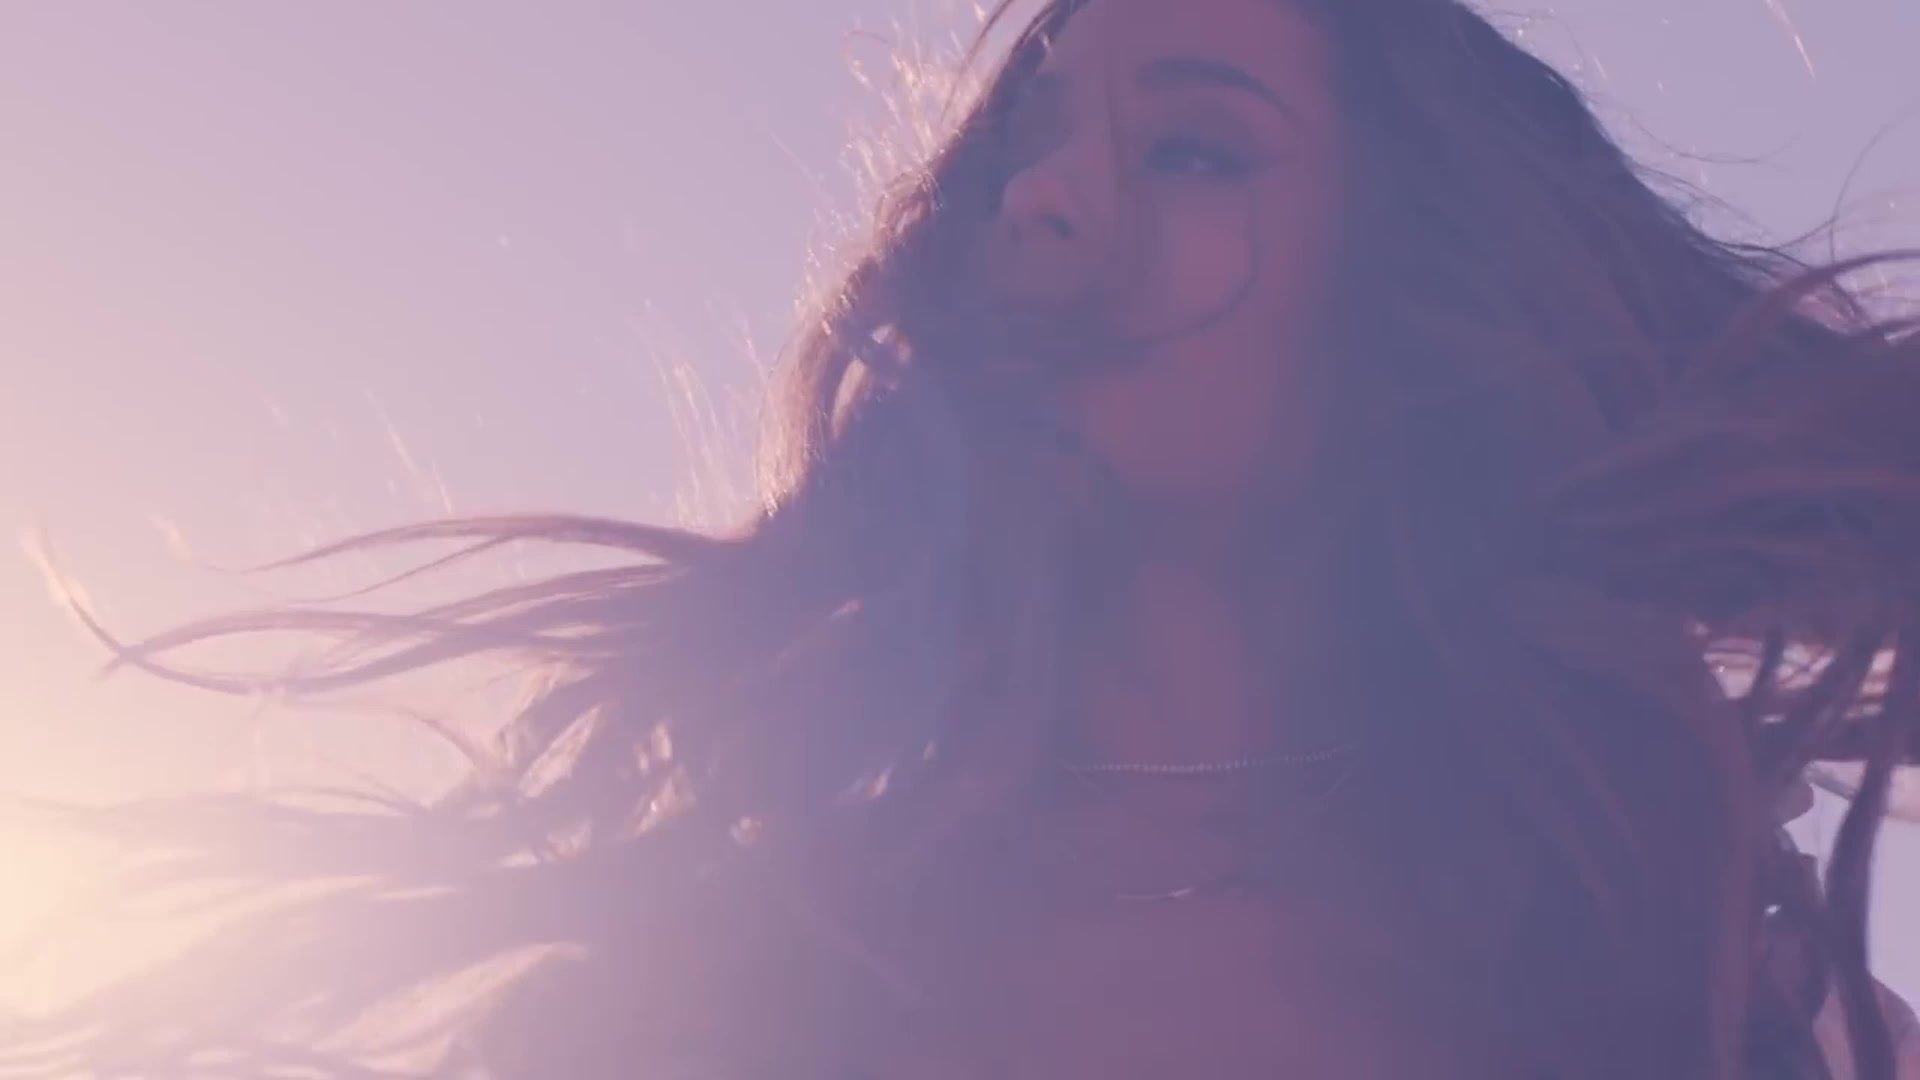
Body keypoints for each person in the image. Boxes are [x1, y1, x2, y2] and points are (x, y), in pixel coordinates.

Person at [8, 0, 1920, 1076]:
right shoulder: (753, 955)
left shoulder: (1689, 967)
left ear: (1403, 296)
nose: (1047, 208)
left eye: (1194, 146)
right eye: (1029, 146)